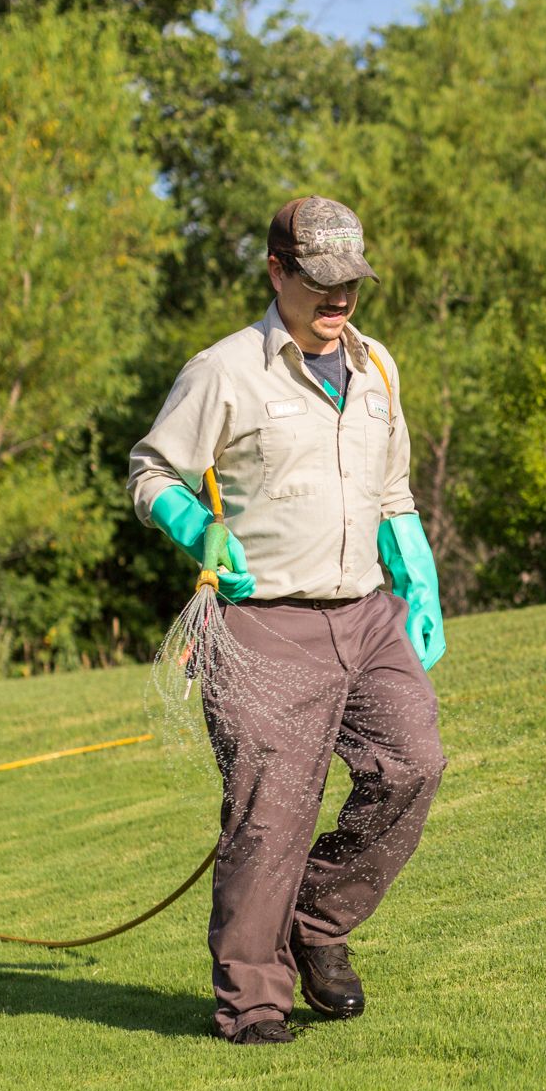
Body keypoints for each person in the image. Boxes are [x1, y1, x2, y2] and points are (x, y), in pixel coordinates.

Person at [128, 196, 448, 1045]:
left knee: (413, 765)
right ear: (278, 272)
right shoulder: (226, 370)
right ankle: (253, 1003)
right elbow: (151, 470)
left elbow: (392, 490)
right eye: (321, 282)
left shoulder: (378, 367)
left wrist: (416, 573)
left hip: (368, 614)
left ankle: (315, 921)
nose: (339, 300)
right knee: (271, 815)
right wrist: (193, 525)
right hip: (263, 623)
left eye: (352, 283)